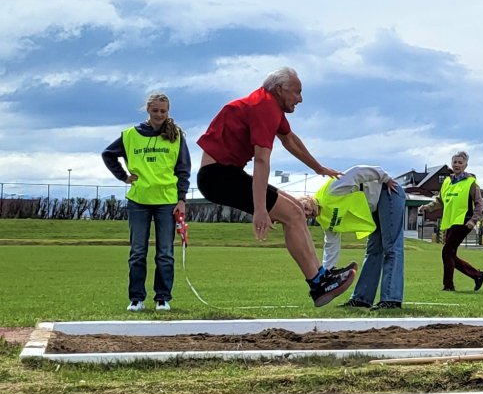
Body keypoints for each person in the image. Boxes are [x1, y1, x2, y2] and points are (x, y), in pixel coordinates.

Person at [195, 67, 353, 306]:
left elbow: (290, 140)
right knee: (291, 214)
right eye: (297, 92)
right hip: (217, 177)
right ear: (280, 90)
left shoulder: (269, 105)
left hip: (225, 173)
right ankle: (318, 283)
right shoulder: (264, 107)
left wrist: (318, 167)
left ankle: (321, 277)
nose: (300, 99)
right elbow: (261, 160)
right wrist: (260, 210)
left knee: (297, 211)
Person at [102, 92, 192, 312]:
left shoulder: (176, 135)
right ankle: (136, 298)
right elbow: (108, 154)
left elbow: (183, 169)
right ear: (148, 110)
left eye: (163, 111)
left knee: (165, 253)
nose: (159, 114)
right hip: (139, 201)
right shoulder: (130, 135)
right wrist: (123, 176)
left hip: (167, 202)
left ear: (168, 112)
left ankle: (162, 298)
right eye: (155, 110)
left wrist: (181, 199)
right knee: (138, 252)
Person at [313, 165, 408, 310]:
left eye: (304, 206)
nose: (307, 211)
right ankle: (362, 299)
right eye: (305, 214)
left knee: (391, 247)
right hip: (374, 207)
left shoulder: (331, 191)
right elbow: (331, 245)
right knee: (373, 251)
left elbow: (357, 171)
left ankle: (391, 300)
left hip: (387, 191)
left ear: (307, 198)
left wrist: (386, 178)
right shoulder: (323, 218)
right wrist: (327, 272)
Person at [431, 151, 483, 293]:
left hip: (464, 221)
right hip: (450, 222)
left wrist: (474, 220)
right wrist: (428, 207)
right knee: (450, 254)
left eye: (460, 162)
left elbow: (479, 203)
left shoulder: (471, 183)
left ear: (465, 165)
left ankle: (448, 285)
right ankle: (477, 275)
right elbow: (440, 200)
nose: (457, 165)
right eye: (455, 162)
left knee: (446, 252)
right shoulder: (447, 181)